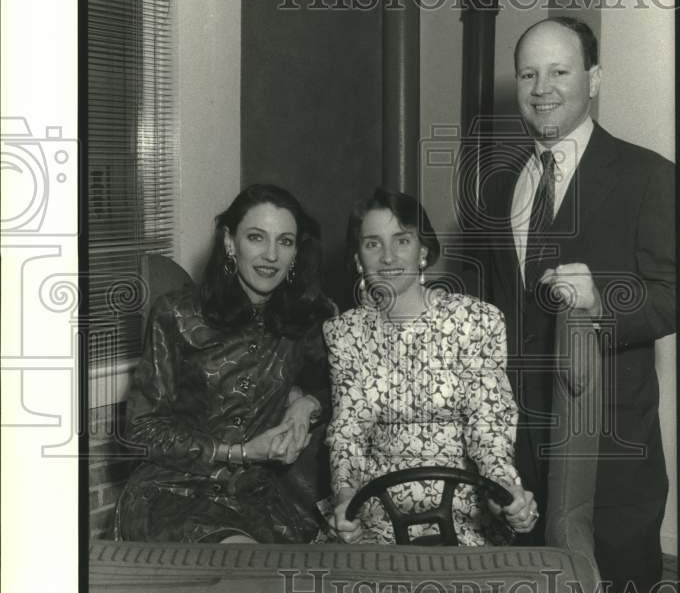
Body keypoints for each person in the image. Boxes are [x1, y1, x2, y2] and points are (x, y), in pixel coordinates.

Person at [482, 16, 675, 593]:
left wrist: (606, 299)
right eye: (529, 74)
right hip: (527, 442)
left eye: (560, 72)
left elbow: (679, 292)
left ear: (593, 80)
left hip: (615, 448)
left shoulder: (649, 174)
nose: (542, 88)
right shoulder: (508, 183)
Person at [114, 184, 336, 544]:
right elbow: (141, 432)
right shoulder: (176, 314)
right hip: (175, 494)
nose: (270, 255)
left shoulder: (305, 321)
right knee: (243, 576)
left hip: (257, 500)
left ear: (296, 253)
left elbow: (342, 386)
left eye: (285, 242)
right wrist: (241, 453)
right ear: (230, 243)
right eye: (256, 237)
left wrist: (306, 405)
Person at [321, 187, 538, 546]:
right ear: (358, 258)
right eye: (373, 244)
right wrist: (345, 498)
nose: (388, 257)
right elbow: (348, 435)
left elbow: (490, 426)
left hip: (464, 515)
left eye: (401, 241)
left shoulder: (476, 321)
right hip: (378, 516)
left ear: (422, 251)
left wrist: (506, 492)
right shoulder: (344, 333)